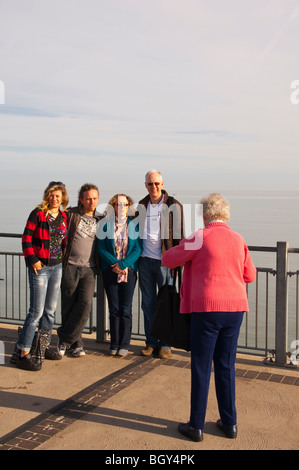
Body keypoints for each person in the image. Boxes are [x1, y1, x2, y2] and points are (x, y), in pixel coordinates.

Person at [162, 193, 256, 442]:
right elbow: (250, 275)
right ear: (226, 215)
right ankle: (229, 422)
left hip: (207, 309)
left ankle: (196, 426)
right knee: (225, 365)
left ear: (204, 215)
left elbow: (168, 259)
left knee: (201, 367)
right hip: (235, 310)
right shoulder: (238, 239)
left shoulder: (200, 237)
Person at [13, 182, 68, 371]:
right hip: (40, 268)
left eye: (58, 196)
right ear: (47, 196)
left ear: (63, 198)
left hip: (57, 266)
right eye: (51, 195)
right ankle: (23, 353)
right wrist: (33, 260)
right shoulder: (37, 213)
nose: (54, 198)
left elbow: (63, 241)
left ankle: (42, 348)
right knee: (36, 311)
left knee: (50, 311)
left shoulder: (63, 216)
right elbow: (26, 238)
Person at [137, 170, 184, 359]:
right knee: (147, 305)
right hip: (144, 261)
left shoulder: (173, 205)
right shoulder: (141, 205)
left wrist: (177, 264)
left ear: (162, 183)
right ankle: (151, 342)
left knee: (166, 304)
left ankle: (166, 344)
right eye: (150, 184)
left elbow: (180, 237)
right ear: (145, 185)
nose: (153, 187)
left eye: (156, 183)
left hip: (166, 263)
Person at [57, 183, 102, 357]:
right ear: (82, 199)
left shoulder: (100, 219)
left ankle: (64, 339)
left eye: (95, 198)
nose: (92, 201)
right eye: (88, 198)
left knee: (85, 304)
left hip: (89, 269)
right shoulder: (71, 214)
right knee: (68, 306)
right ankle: (76, 344)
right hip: (70, 265)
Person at [97, 194, 141, 356]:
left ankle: (125, 344)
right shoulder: (104, 225)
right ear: (113, 206)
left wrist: (123, 264)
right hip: (110, 271)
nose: (121, 207)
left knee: (126, 309)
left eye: (124, 204)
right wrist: (115, 264)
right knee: (114, 309)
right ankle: (114, 344)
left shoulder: (134, 226)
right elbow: (101, 248)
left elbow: (138, 249)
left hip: (128, 271)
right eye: (118, 204)